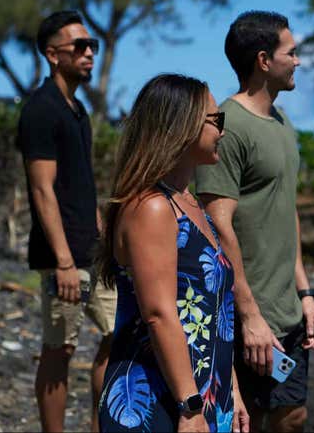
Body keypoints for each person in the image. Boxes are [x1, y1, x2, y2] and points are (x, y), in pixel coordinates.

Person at [195, 11, 314, 432]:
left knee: (292, 416)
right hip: (246, 313)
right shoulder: (229, 127)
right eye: (292, 52)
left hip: (287, 309)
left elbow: (284, 210)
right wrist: (249, 314)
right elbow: (218, 225)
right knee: (239, 421)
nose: (299, 61)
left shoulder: (285, 125)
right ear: (264, 60)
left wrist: (304, 291)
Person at [96, 74, 249, 432]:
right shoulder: (151, 207)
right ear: (183, 127)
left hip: (204, 396)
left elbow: (215, 316)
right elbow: (159, 314)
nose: (222, 132)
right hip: (159, 402)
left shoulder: (189, 204)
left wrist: (231, 391)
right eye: (216, 121)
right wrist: (190, 406)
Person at [17, 10, 117, 432]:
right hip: (63, 256)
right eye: (80, 46)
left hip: (92, 250)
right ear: (53, 55)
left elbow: (81, 185)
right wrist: (62, 262)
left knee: (123, 332)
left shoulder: (78, 111)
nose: (90, 52)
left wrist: (105, 240)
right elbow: (42, 190)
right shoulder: (41, 109)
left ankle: (99, 426)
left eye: (92, 45)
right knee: (60, 350)